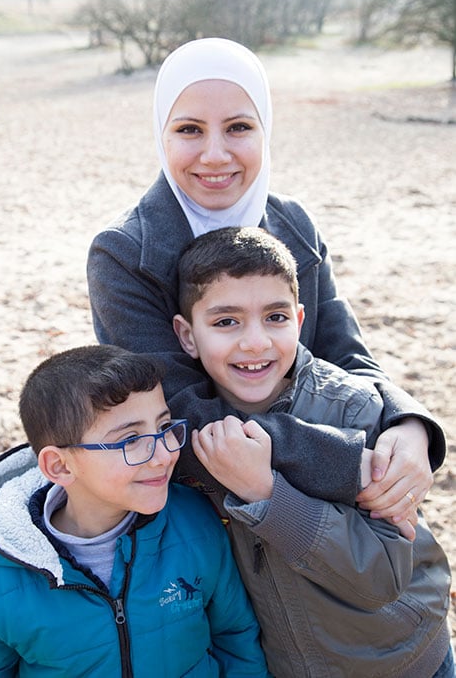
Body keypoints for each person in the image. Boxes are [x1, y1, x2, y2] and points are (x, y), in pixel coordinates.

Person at [87, 36, 445, 533]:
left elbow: (346, 355)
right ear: (160, 135)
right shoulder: (123, 254)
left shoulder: (294, 224)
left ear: (265, 131)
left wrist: (407, 427)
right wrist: (351, 462)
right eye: (189, 129)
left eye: (238, 127)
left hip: (326, 492)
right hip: (196, 507)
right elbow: (181, 419)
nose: (215, 154)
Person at [172, 225, 454, 678]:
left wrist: (268, 493)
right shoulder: (192, 426)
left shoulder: (352, 409)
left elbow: (381, 577)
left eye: (276, 318)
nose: (255, 342)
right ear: (187, 336)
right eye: (226, 321)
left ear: (300, 321)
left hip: (403, 660)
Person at [0, 345, 270, 677]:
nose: (163, 455)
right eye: (130, 440)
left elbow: (235, 637)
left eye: (164, 427)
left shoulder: (196, 524)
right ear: (60, 466)